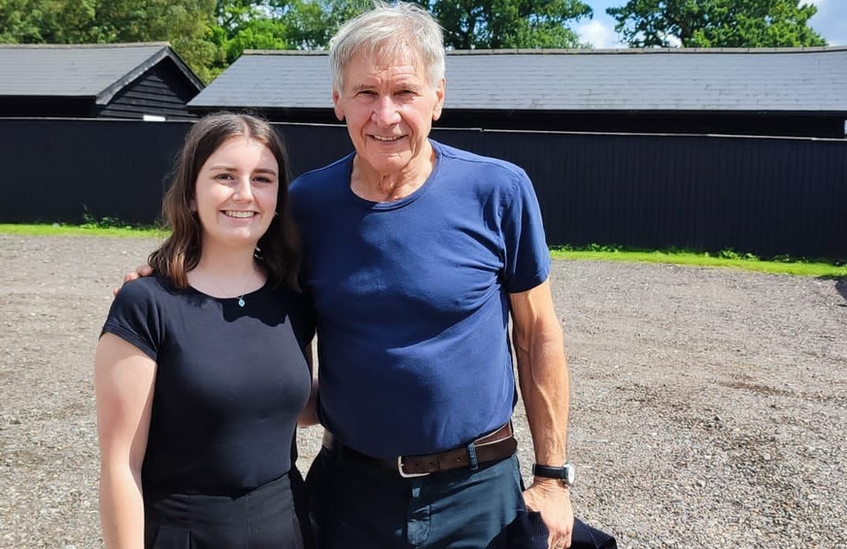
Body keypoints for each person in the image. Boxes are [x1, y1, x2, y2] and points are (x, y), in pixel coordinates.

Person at [124, 4, 575, 548]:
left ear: (438, 96)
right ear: (337, 101)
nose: (385, 116)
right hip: (352, 493)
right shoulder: (305, 206)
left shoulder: (499, 192)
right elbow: (233, 262)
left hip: (476, 491)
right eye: (365, 93)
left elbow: (538, 333)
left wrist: (552, 478)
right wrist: (169, 276)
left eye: (404, 92)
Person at [95, 113, 317, 549]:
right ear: (192, 194)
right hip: (186, 533)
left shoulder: (293, 300)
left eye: (263, 179)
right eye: (225, 176)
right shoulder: (146, 304)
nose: (245, 194)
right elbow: (121, 463)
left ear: (278, 197)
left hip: (288, 527)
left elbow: (294, 409)